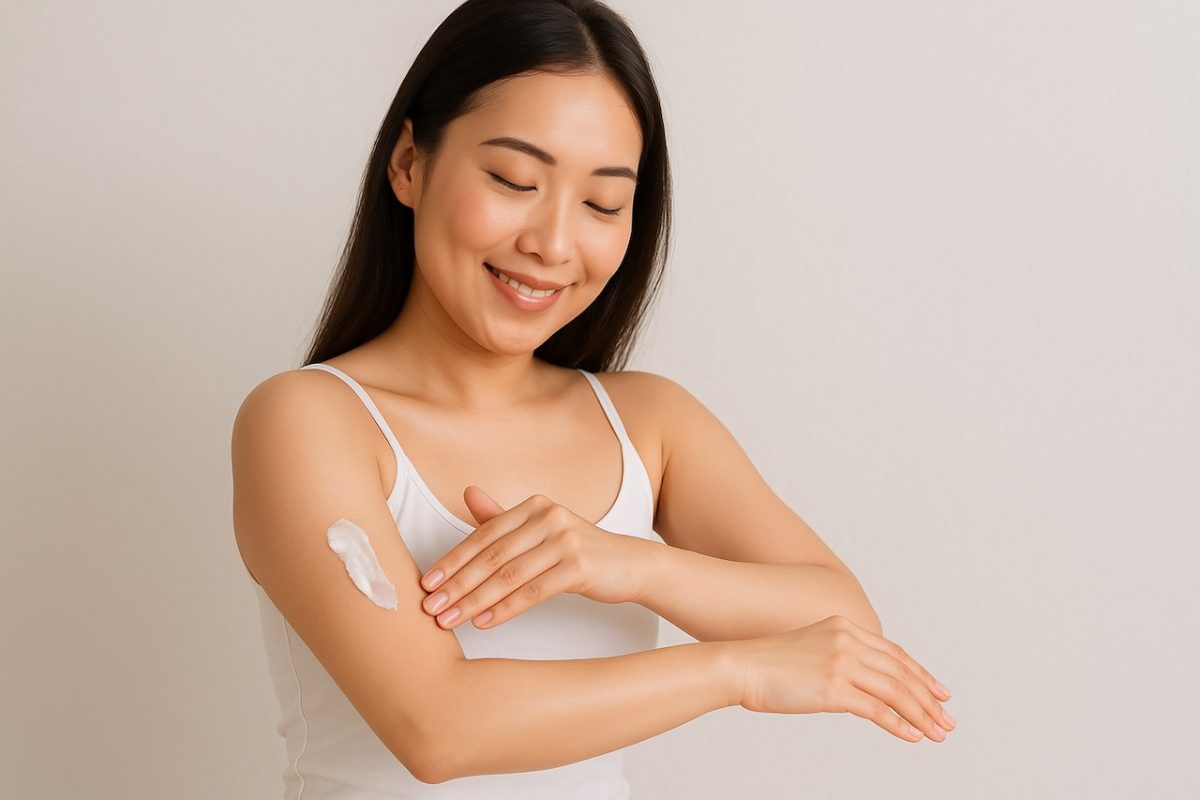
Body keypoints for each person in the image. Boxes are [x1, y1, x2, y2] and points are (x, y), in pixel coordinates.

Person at [231, 0, 956, 796]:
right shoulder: (307, 421)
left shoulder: (649, 423)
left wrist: (622, 562)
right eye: (513, 180)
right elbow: (437, 728)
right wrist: (735, 668)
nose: (553, 243)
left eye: (603, 203)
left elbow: (844, 625)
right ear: (409, 163)